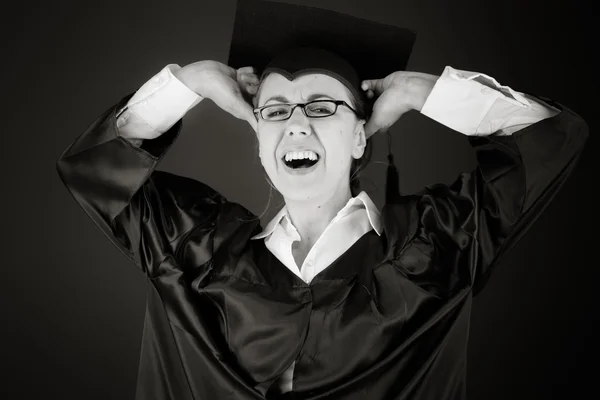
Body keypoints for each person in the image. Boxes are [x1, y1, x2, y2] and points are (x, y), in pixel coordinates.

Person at [56, 0, 588, 399]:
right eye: (276, 110)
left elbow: (551, 139)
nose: (297, 124)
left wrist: (419, 91)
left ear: (361, 136)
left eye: (322, 106)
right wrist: (189, 80)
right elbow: (93, 167)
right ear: (258, 137)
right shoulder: (193, 248)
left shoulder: (439, 247)